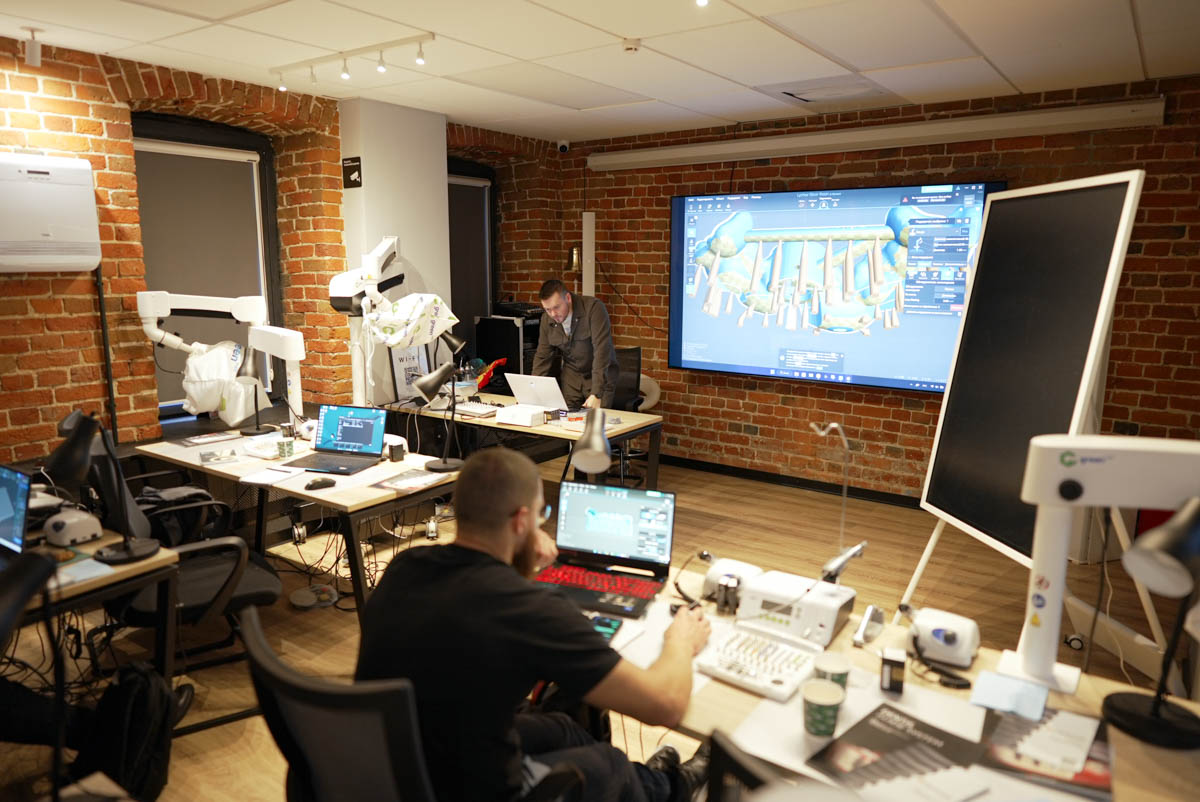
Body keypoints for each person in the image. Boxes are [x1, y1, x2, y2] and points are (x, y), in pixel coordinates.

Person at [356, 447, 711, 802]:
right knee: (610, 764)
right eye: (542, 514)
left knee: (561, 727)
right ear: (520, 520)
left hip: (394, 761)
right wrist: (681, 640)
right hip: (464, 790)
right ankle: (675, 788)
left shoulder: (404, 567)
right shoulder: (529, 609)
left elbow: (482, 595)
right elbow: (665, 706)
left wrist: (519, 553)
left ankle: (651, 781)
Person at [532, 279, 620, 410]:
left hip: (599, 375)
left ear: (568, 298)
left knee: (596, 420)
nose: (553, 314)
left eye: (556, 307)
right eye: (548, 309)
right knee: (565, 418)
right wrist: (533, 390)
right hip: (571, 377)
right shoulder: (547, 319)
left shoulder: (593, 309)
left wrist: (596, 393)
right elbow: (542, 356)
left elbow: (601, 351)